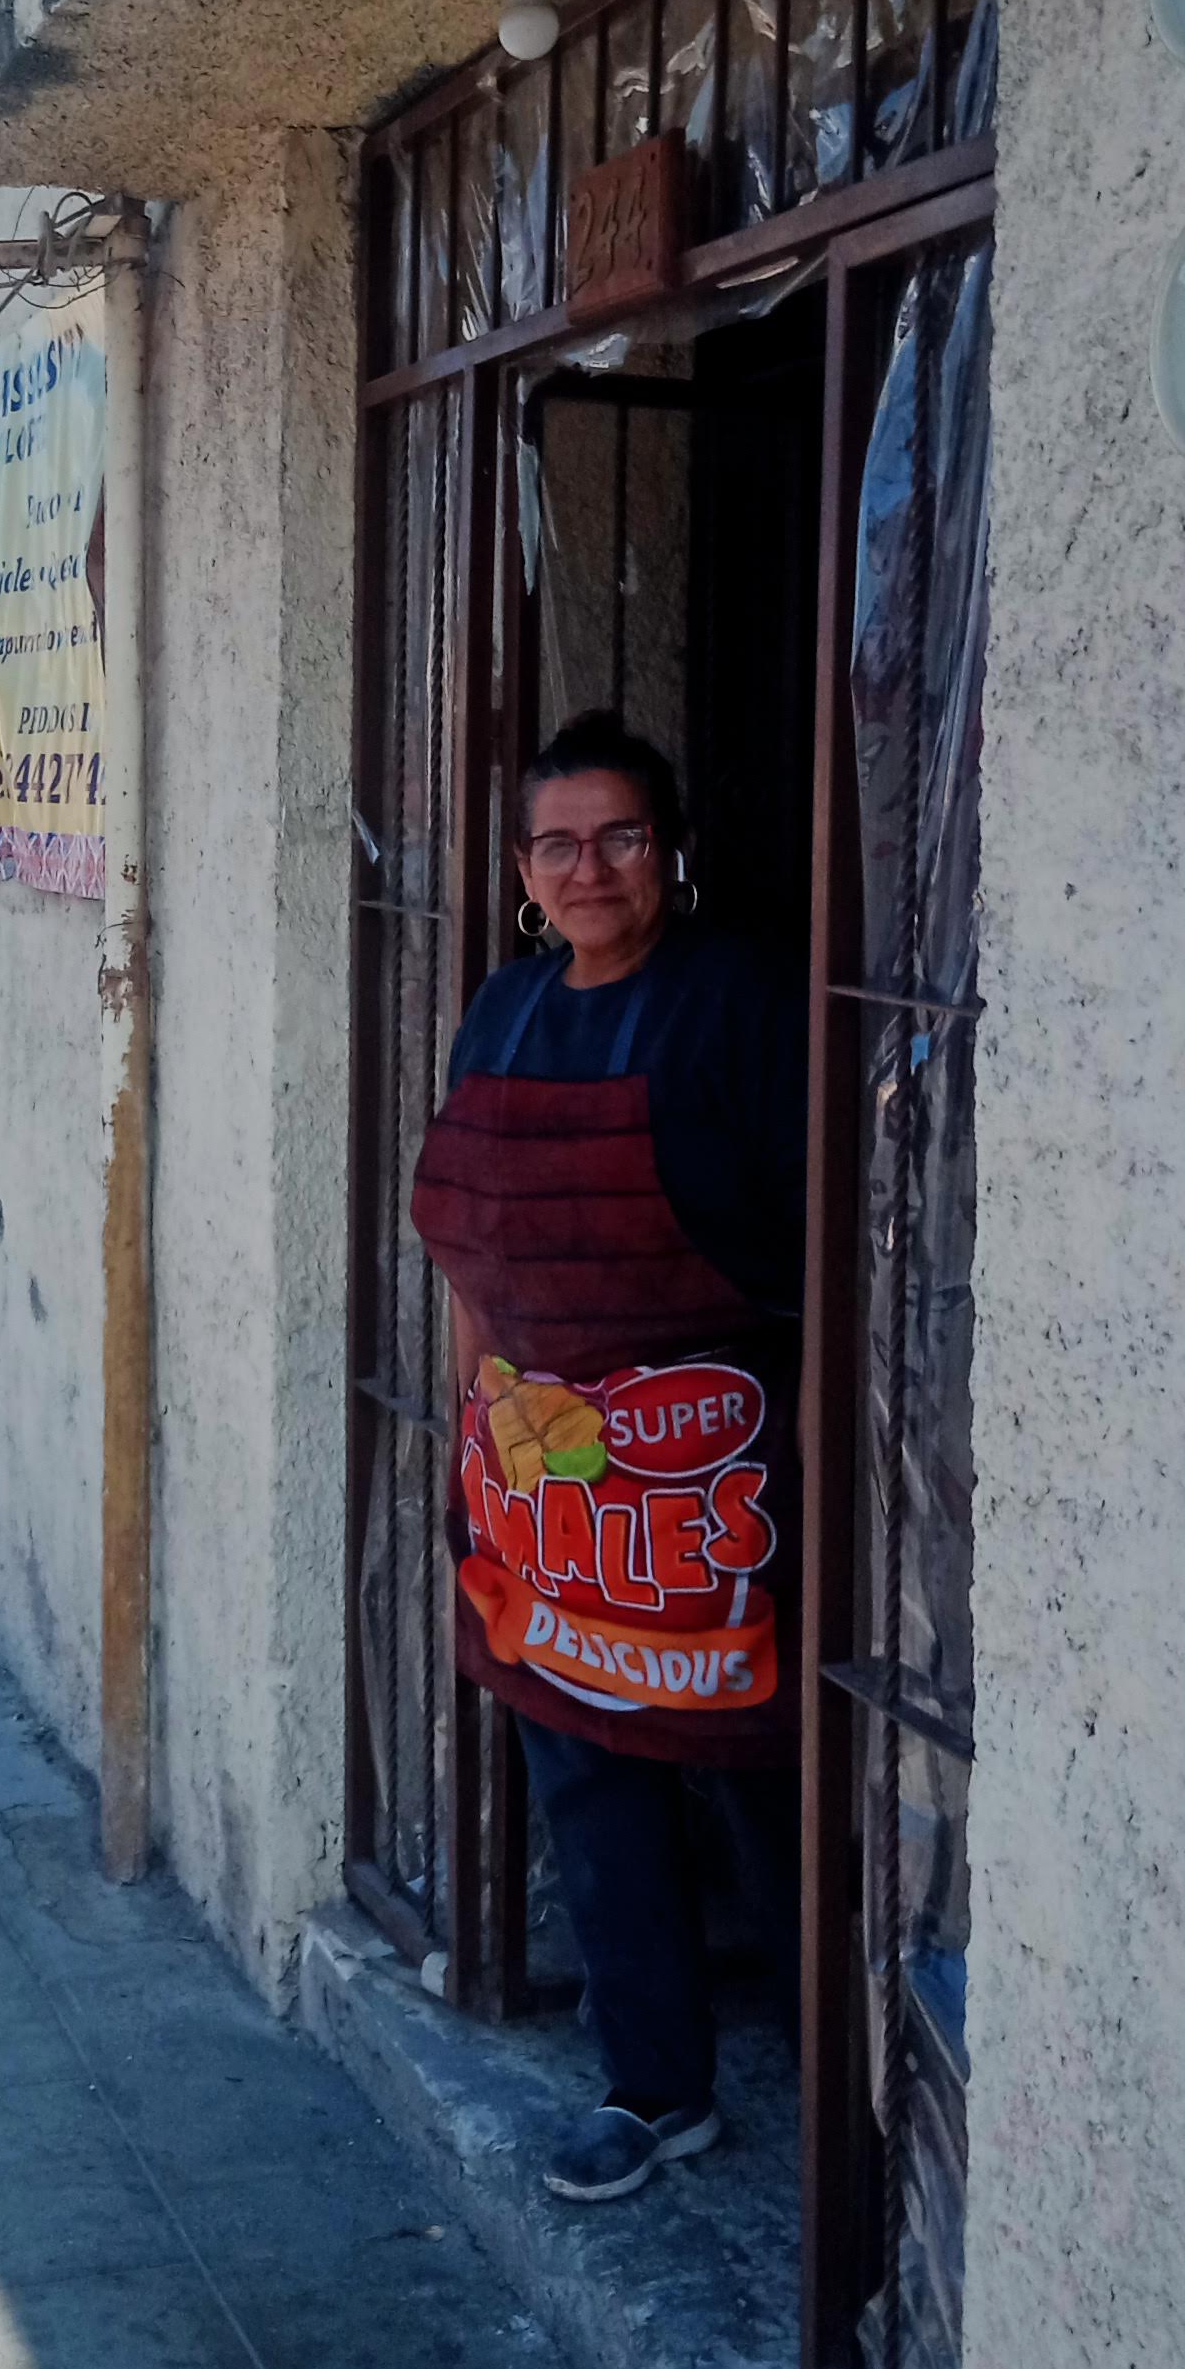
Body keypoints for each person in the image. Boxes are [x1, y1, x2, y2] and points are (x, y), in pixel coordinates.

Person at [410, 708, 807, 2204]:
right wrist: (475, 1454)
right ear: (524, 868)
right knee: (587, 1777)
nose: (591, 870)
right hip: (551, 1499)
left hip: (716, 1489)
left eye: (621, 837)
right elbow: (470, 1261)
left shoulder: (741, 1001)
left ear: (670, 850)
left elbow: (817, 1244)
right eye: (560, 844)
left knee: (761, 1782)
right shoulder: (502, 1011)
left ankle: (855, 2104)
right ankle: (656, 2090)